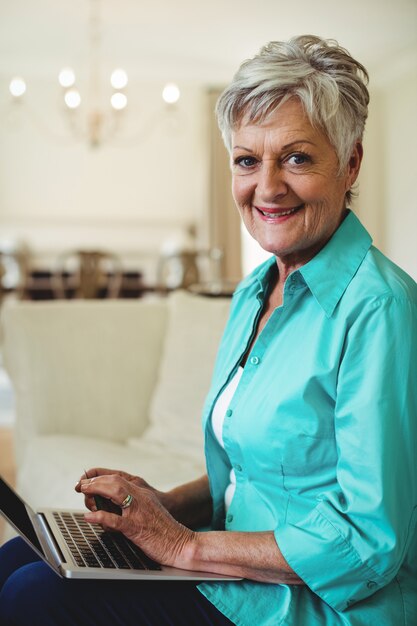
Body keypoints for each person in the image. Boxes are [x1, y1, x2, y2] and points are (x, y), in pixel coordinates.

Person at [1, 34, 416, 626]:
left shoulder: (380, 308)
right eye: (248, 160)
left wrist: (183, 546)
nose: (267, 187)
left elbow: (367, 541)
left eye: (296, 157)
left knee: (32, 597)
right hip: (235, 565)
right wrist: (161, 508)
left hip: (310, 602)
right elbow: (252, 470)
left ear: (350, 161)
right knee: (18, 556)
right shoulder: (253, 294)